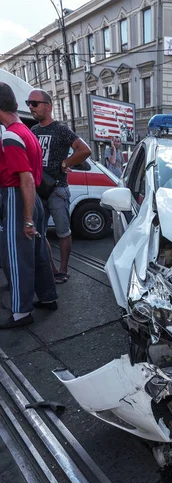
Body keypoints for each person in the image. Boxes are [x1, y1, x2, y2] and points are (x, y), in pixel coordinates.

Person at [0, 82, 58, 329]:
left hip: (18, 197)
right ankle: (48, 297)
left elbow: (23, 178)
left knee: (17, 258)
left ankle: (21, 312)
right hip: (32, 199)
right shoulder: (27, 131)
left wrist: (25, 219)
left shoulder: (11, 135)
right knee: (38, 253)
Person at [28, 89, 91, 284]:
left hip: (57, 189)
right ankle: (52, 268)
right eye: (28, 103)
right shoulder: (33, 131)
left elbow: (85, 150)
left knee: (63, 232)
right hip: (38, 190)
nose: (30, 107)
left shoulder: (61, 129)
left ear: (48, 106)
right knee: (39, 232)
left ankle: (63, 270)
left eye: (34, 103)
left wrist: (66, 163)